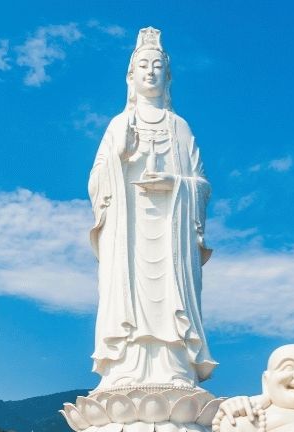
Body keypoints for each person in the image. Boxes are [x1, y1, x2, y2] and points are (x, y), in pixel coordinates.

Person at [88, 27, 215, 388]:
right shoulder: (117, 125)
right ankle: (125, 367)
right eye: (142, 64)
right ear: (130, 76)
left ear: (168, 75)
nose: (150, 71)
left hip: (171, 232)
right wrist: (119, 155)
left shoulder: (180, 128)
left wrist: (175, 184)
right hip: (128, 232)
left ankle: (175, 366)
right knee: (127, 295)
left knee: (170, 297)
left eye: (157, 65)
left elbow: (202, 185)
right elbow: (96, 182)